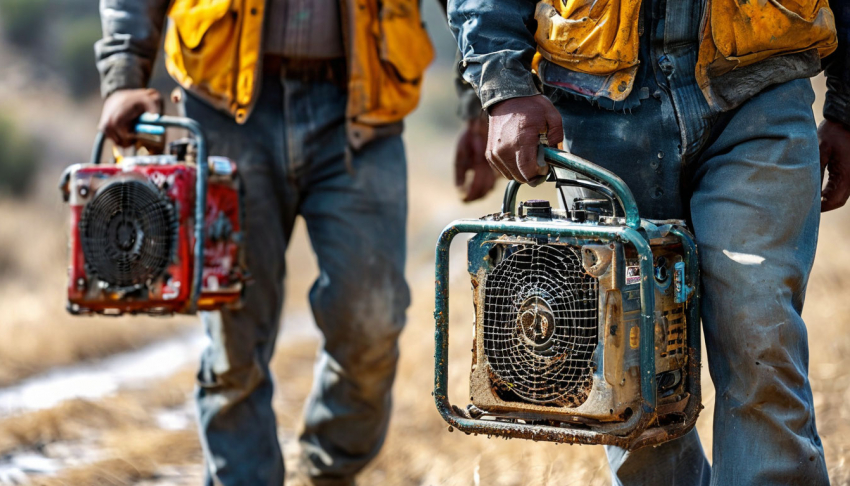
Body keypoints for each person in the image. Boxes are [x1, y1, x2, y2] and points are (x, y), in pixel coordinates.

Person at [448, 0, 850, 484]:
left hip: (759, 87)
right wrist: (504, 86)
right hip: (594, 104)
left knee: (757, 323)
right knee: (623, 362)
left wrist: (846, 105)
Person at [94, 1, 484, 485]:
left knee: (372, 322)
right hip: (223, 110)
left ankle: (326, 473)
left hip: (363, 110)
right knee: (235, 336)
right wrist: (124, 75)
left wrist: (483, 100)